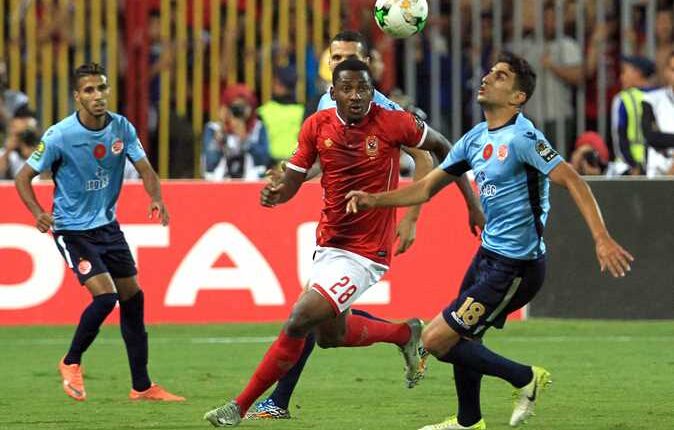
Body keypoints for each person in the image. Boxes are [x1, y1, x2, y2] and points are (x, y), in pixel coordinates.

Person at [345, 52, 634, 430]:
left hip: (517, 267)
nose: (487, 78)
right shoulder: (476, 137)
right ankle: (469, 421)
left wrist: (601, 238)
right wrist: (375, 200)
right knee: (466, 334)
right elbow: (427, 187)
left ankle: (525, 377)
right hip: (487, 256)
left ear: (518, 97)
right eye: (490, 72)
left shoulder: (524, 138)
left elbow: (573, 181)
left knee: (435, 340)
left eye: (500, 76)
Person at [203, 59, 480, 427]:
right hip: (329, 244)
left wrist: (471, 204)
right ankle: (404, 332)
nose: (355, 95)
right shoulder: (317, 126)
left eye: (362, 88)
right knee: (330, 335)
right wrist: (276, 194)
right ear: (333, 93)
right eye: (347, 88)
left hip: (366, 253)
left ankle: (238, 407)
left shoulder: (394, 122)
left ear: (372, 91)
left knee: (299, 319)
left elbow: (445, 148)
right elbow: (292, 182)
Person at [14, 63, 184, 402]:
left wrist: (156, 197)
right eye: (89, 90)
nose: (98, 96)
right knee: (106, 297)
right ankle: (70, 361)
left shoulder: (121, 127)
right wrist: (37, 212)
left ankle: (142, 386)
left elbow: (145, 168)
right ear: (77, 97)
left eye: (102, 88)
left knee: (133, 299)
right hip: (72, 230)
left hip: (108, 226)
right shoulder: (60, 135)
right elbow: (22, 178)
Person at [202, 84, 270, 180]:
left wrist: (245, 139)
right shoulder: (213, 128)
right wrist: (222, 131)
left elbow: (263, 160)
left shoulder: (258, 127)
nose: (238, 111)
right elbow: (209, 164)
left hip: (251, 182)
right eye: (234, 107)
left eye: (243, 107)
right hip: (219, 182)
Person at [608, 55, 657, 176]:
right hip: (657, 165)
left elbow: (619, 137)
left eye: (624, 72)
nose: (621, 77)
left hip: (629, 166)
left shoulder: (623, 99)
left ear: (637, 72)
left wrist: (633, 165)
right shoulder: (661, 95)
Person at [641, 50, 674, 177]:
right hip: (659, 173)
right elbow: (650, 136)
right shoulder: (652, 99)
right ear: (666, 72)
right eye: (673, 70)